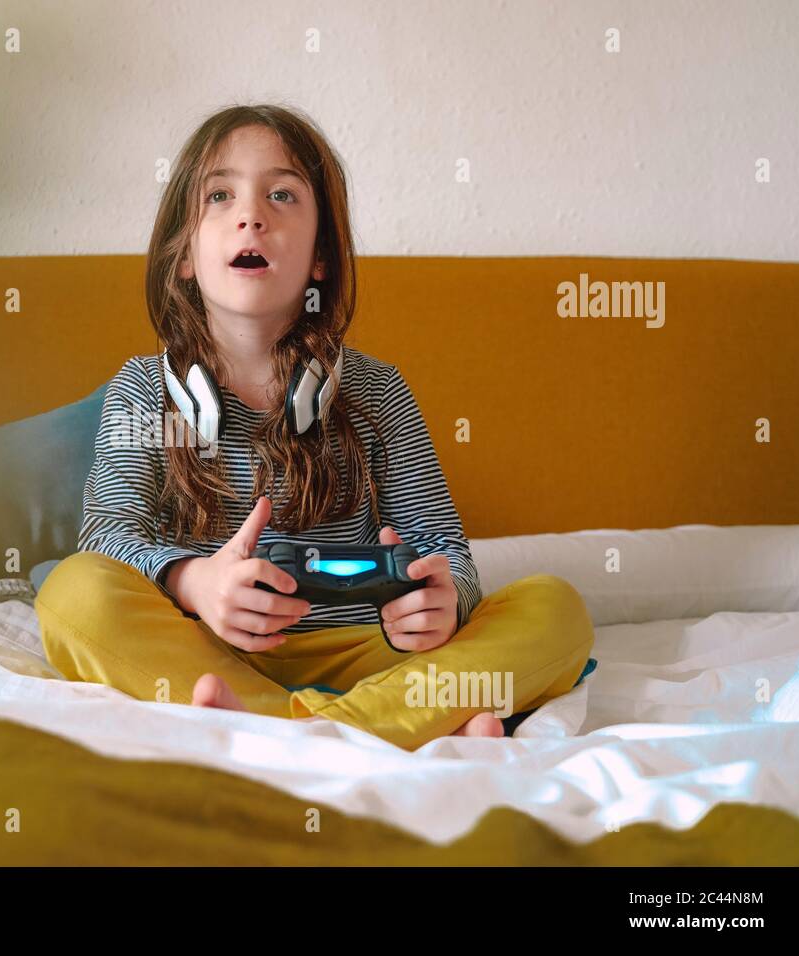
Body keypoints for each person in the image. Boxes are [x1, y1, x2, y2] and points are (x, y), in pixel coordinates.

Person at [35, 104, 594, 750]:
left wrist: (446, 601)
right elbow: (108, 536)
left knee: (556, 607)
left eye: (282, 194)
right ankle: (401, 723)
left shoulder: (379, 390)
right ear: (184, 255)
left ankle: (289, 728)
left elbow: (446, 550)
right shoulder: (142, 389)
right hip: (217, 654)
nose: (252, 215)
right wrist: (197, 583)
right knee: (71, 593)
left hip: (369, 655)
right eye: (220, 195)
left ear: (322, 257)